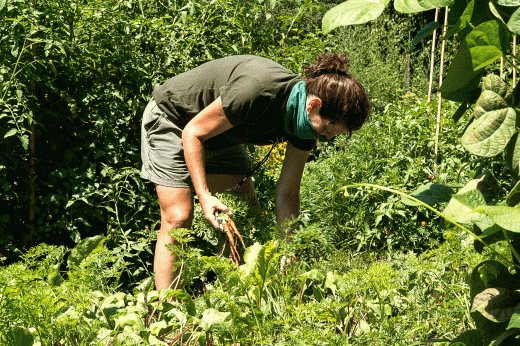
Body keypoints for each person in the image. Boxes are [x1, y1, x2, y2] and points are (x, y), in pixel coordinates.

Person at [140, 53, 371, 290]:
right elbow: (193, 132)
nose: (328, 138)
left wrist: (288, 248)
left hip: (219, 135)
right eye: (328, 131)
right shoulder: (258, 90)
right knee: (179, 216)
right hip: (174, 119)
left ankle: (235, 294)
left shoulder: (304, 124)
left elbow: (287, 192)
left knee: (244, 214)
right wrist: (204, 195)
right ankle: (167, 315)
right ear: (314, 105)